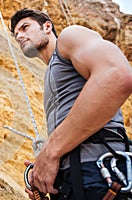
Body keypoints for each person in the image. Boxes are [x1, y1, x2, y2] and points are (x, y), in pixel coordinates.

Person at [10, 8, 132, 200]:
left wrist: (50, 153)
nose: (20, 36)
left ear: (47, 26)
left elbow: (116, 75)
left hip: (99, 173)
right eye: (16, 34)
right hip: (73, 181)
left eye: (25, 27)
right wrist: (43, 173)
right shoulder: (53, 72)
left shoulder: (69, 37)